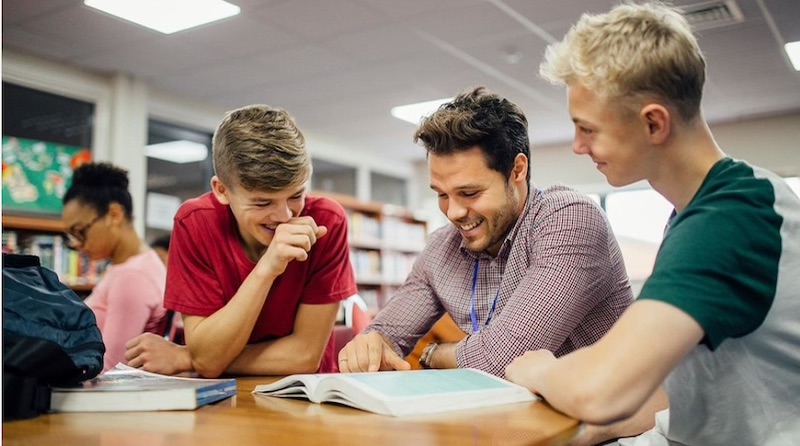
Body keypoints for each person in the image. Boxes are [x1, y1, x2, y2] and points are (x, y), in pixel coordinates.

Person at [505, 3, 800, 445]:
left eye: (588, 129)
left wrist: (540, 369)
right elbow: (681, 391)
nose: (578, 146)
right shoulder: (698, 209)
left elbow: (601, 391)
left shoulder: (732, 216)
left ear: (653, 123)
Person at [338, 86, 634, 375]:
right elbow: (382, 336)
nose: (453, 213)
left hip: (603, 420)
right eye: (442, 194)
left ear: (517, 171)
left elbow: (503, 360)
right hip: (508, 418)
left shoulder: (569, 219)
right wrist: (367, 348)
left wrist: (432, 354)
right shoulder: (442, 248)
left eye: (469, 193)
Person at [124, 104, 357, 377]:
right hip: (218, 399)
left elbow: (304, 357)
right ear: (221, 190)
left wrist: (189, 358)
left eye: (295, 195)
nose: (284, 216)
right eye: (262, 202)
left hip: (303, 395)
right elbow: (208, 358)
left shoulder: (327, 222)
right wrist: (267, 268)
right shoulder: (194, 222)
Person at [62, 162, 167, 372]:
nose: (77, 243)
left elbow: (110, 369)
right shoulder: (130, 266)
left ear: (114, 215)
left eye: (80, 231)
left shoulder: (133, 276)